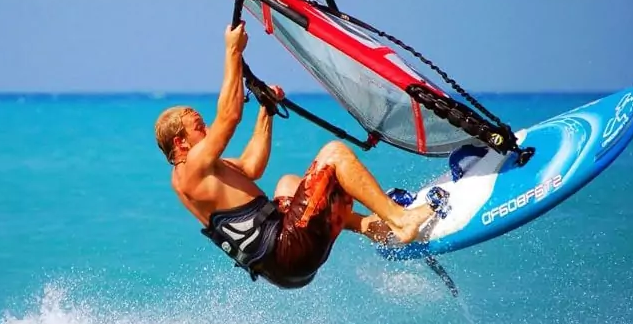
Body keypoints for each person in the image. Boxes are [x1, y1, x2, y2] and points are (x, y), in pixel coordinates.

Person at [154, 21, 447, 289]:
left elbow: (252, 167)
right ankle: (400, 221)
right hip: (286, 251)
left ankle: (369, 226)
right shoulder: (188, 171)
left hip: (283, 263)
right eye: (198, 125)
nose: (206, 127)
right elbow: (229, 116)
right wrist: (232, 50)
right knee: (334, 155)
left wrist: (266, 110)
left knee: (288, 183)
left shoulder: (207, 171)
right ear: (180, 142)